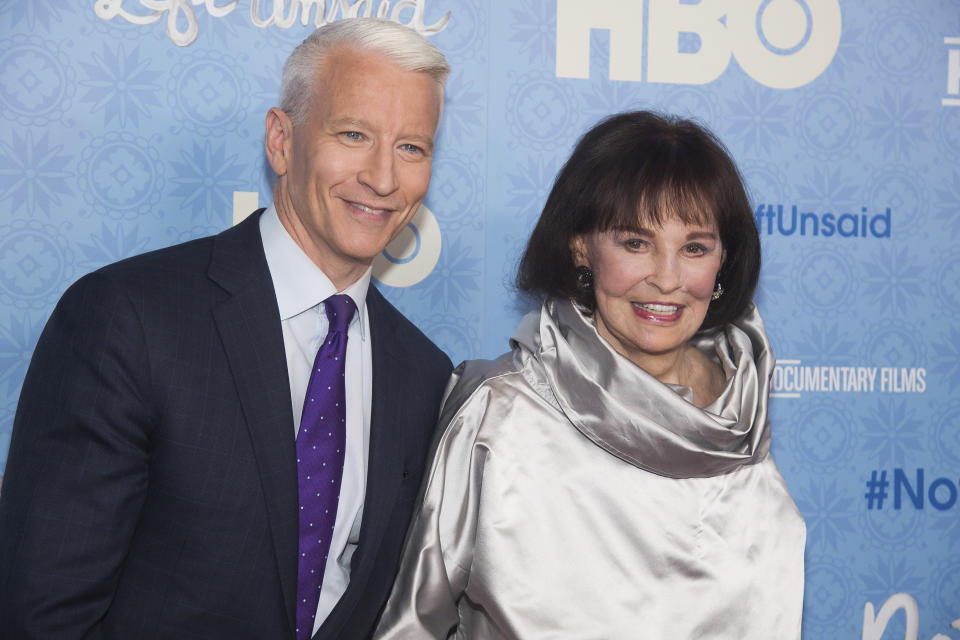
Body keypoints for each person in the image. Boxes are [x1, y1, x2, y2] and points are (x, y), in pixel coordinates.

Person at [0, 18, 452, 640]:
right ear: (281, 140)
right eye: (353, 134)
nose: (382, 177)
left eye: (412, 147)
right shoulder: (128, 319)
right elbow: (42, 614)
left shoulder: (425, 375)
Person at [374, 111, 806, 639]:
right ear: (582, 246)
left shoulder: (740, 421)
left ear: (723, 262)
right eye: (635, 243)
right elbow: (412, 626)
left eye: (694, 248)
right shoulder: (498, 413)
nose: (667, 279)